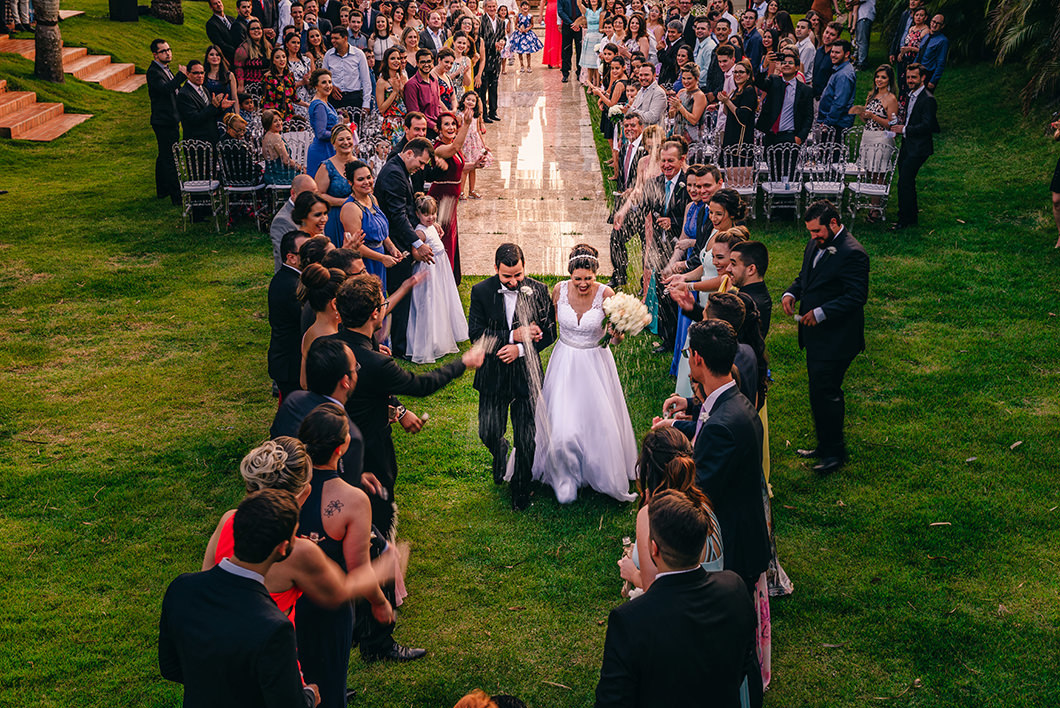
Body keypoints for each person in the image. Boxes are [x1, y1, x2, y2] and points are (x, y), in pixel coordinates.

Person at [331, 274, 484, 660]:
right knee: (374, 541)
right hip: (369, 460)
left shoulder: (328, 347)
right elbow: (422, 384)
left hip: (334, 455)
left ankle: (350, 622)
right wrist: (463, 363)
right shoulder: (370, 360)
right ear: (376, 313)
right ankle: (377, 640)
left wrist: (395, 410)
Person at [594, 488, 756, 708]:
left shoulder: (629, 621)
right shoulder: (734, 587)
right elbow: (745, 663)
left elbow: (612, 701)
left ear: (654, 549)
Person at [159, 489, 319, 708]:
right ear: (283, 548)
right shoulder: (274, 628)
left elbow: (170, 667)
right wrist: (309, 695)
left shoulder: (181, 588)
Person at [293, 403, 393, 707]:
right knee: (330, 688)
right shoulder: (352, 501)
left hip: (284, 600)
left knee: (292, 679)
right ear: (342, 447)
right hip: (329, 607)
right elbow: (358, 567)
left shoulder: (287, 485)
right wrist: (380, 602)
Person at [526, 244, 636, 504]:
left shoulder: (607, 294)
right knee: (562, 425)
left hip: (595, 365)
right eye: (578, 279)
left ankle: (597, 471)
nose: (583, 284)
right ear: (569, 274)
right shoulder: (558, 291)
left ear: (596, 275)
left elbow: (617, 339)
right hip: (564, 363)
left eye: (589, 278)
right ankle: (565, 476)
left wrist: (616, 334)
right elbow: (550, 325)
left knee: (596, 424)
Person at [782, 200, 869, 475]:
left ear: (834, 223)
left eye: (817, 231)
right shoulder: (816, 244)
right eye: (810, 232)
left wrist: (820, 313)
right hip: (817, 338)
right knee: (818, 392)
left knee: (828, 393)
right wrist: (791, 292)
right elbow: (806, 276)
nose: (813, 237)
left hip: (837, 338)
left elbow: (857, 297)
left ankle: (834, 454)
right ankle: (824, 444)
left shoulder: (853, 253)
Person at [468, 243, 557, 510]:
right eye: (507, 276)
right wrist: (510, 336)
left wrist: (519, 349)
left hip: (525, 376)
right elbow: (476, 335)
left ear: (524, 266)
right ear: (496, 269)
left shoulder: (539, 290)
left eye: (518, 275)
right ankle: (499, 449)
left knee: (526, 437)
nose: (514, 281)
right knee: (488, 431)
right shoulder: (481, 292)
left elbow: (549, 334)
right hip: (493, 377)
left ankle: (521, 489)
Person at [617, 428, 724, 594]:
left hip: (676, 607)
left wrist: (633, 573)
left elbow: (653, 588)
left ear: (648, 469)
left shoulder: (649, 516)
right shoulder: (702, 503)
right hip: (713, 598)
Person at [269, 337, 368, 486]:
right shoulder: (349, 436)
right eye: (356, 368)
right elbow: (344, 488)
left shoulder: (293, 401)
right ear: (345, 381)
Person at [375, 137, 437, 357]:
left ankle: (399, 343)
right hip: (395, 244)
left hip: (400, 239)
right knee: (399, 297)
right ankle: (399, 348)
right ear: (409, 153)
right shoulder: (394, 174)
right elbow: (397, 215)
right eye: (420, 163)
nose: (421, 168)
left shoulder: (398, 167)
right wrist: (417, 243)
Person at [407, 193, 469, 362]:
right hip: (429, 270)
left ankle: (445, 333)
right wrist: (425, 255)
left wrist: (434, 224)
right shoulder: (419, 232)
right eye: (426, 214)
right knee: (430, 303)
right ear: (418, 214)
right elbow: (415, 253)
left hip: (440, 268)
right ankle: (430, 340)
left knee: (443, 299)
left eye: (433, 213)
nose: (431, 217)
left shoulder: (432, 226)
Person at [429, 108, 484, 283]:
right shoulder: (438, 148)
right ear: (438, 129)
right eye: (446, 124)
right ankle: (441, 279)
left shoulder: (451, 147)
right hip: (442, 199)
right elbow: (455, 147)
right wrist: (466, 124)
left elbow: (458, 167)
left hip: (452, 200)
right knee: (443, 239)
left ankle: (450, 278)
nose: (451, 127)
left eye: (453, 124)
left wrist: (474, 164)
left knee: (450, 239)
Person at [341, 160, 405, 292]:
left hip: (380, 257)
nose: (366, 182)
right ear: (350, 182)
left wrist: (391, 247)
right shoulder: (351, 209)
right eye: (360, 179)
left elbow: (380, 230)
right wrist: (382, 258)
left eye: (368, 177)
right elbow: (355, 247)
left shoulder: (372, 198)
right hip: (365, 262)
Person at [892, 63, 939, 231]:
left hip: (919, 147)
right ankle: (911, 217)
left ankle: (904, 219)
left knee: (904, 181)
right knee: (906, 181)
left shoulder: (928, 99)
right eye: (908, 77)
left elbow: (928, 126)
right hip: (908, 144)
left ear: (923, 78)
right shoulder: (911, 94)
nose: (910, 80)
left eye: (914, 77)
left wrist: (904, 129)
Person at [147, 39, 187, 206]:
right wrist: (181, 77)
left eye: (169, 49)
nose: (168, 53)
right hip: (163, 121)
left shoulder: (165, 69)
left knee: (164, 155)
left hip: (170, 118)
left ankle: (162, 189)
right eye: (164, 51)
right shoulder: (154, 72)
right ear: (155, 55)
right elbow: (165, 89)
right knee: (170, 157)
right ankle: (176, 196)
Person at [754, 49, 812, 147]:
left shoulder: (805, 90)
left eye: (790, 63)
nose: (786, 65)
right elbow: (759, 83)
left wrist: (800, 137)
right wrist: (764, 65)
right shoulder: (774, 81)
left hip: (790, 136)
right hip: (771, 135)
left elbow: (808, 117)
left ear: (797, 67)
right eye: (784, 63)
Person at [315, 124, 357, 247]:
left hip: (357, 216)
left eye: (348, 139)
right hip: (335, 217)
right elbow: (318, 195)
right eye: (341, 139)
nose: (346, 142)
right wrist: (344, 202)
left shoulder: (360, 164)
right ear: (333, 143)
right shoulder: (326, 167)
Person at [178, 60, 233, 144]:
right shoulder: (184, 94)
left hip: (211, 138)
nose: (200, 76)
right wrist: (213, 106)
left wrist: (220, 108)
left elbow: (209, 114)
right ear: (188, 74)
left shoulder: (204, 89)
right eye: (196, 73)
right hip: (197, 142)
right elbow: (194, 119)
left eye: (202, 73)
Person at [271, 175, 318, 271]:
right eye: (307, 195)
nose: (313, 198)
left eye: (315, 193)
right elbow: (285, 257)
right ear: (293, 193)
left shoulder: (314, 212)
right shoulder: (282, 221)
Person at [726, 240, 771, 337]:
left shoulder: (746, 304)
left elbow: (718, 328)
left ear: (751, 269)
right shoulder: (759, 294)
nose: (728, 269)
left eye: (733, 264)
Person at [324, 25, 373, 110]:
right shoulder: (328, 55)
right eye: (332, 38)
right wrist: (331, 88)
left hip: (354, 99)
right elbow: (323, 77)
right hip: (334, 99)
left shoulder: (359, 54)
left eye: (336, 38)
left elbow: (366, 81)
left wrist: (366, 104)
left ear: (345, 38)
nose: (333, 41)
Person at [306, 68, 344, 177]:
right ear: (316, 86)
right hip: (322, 150)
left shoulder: (324, 102)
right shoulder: (319, 106)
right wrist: (340, 135)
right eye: (323, 82)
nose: (328, 85)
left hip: (328, 147)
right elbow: (321, 133)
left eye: (330, 82)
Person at [458, 92, 493, 199]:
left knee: (474, 167)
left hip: (474, 144)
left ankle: (472, 190)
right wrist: (459, 147)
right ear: (463, 100)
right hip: (465, 143)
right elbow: (458, 132)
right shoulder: (460, 116)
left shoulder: (476, 116)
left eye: (473, 101)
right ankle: (461, 192)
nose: (470, 102)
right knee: (465, 168)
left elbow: (478, 131)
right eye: (468, 99)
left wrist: (483, 145)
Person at [817, 38, 855, 131]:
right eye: (832, 52)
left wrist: (827, 123)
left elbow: (839, 103)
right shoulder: (839, 69)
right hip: (832, 122)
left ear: (847, 54)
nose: (833, 55)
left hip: (836, 124)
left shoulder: (844, 75)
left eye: (837, 53)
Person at [476, 0, 505, 121]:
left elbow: (503, 36)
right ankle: (484, 113)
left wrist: (503, 42)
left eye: (494, 6)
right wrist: (494, 44)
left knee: (494, 86)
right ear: (485, 7)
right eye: (489, 6)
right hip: (485, 58)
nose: (492, 8)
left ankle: (493, 111)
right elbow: (479, 40)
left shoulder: (501, 21)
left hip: (496, 59)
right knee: (483, 87)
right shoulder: (481, 21)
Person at [718, 57, 757, 147]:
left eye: (741, 72)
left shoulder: (749, 91)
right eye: (735, 72)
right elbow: (728, 113)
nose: (737, 75)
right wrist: (724, 101)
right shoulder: (737, 90)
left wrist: (727, 102)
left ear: (748, 75)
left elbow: (743, 116)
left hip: (740, 140)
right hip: (731, 135)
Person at [263, 109, 305, 186]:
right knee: (307, 177)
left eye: (280, 120)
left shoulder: (266, 136)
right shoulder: (276, 137)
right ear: (269, 124)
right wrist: (300, 168)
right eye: (275, 121)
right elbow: (286, 161)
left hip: (270, 175)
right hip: (280, 177)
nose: (279, 123)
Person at [405, 49, 444, 129]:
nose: (426, 65)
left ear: (432, 62)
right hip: (423, 128)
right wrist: (433, 126)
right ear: (417, 64)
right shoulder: (411, 85)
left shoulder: (434, 81)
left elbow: (438, 106)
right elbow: (415, 113)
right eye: (423, 62)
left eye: (429, 61)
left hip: (438, 125)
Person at [894, 6, 928, 99]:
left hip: (914, 60)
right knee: (902, 84)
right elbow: (906, 43)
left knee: (911, 85)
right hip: (904, 60)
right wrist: (901, 54)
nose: (918, 17)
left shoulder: (925, 31)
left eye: (921, 15)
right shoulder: (911, 28)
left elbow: (923, 51)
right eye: (917, 15)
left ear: (925, 18)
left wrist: (910, 49)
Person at [234, 19, 273, 92]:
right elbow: (238, 67)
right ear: (248, 32)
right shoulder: (243, 48)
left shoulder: (268, 46)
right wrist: (240, 85)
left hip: (269, 85)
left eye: (258, 28)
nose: (256, 30)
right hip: (252, 87)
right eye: (253, 29)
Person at [915, 14, 948, 92]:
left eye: (938, 23)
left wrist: (933, 80)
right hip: (917, 71)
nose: (934, 24)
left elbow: (941, 62)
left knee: (925, 100)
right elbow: (919, 53)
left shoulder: (943, 41)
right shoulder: (926, 36)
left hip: (928, 74)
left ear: (942, 26)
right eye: (933, 21)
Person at [810, 21, 839, 100]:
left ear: (837, 38)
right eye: (826, 32)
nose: (827, 36)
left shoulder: (836, 56)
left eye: (832, 35)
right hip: (814, 95)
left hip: (827, 97)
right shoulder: (819, 51)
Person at [557, 0, 581, 82]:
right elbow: (560, 11)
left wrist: (578, 22)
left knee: (580, 49)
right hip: (567, 25)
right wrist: (571, 23)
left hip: (580, 24)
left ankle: (580, 72)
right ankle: (565, 73)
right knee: (566, 49)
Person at [794, 17, 815, 83]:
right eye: (797, 27)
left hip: (804, 83)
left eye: (802, 28)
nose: (799, 29)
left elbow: (802, 70)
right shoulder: (797, 44)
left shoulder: (808, 48)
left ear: (809, 31)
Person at [541, 0, 560, 68]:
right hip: (552, 12)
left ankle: (556, 61)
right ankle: (552, 60)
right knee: (552, 36)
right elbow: (542, 1)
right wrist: (540, 15)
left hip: (557, 11)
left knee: (556, 36)